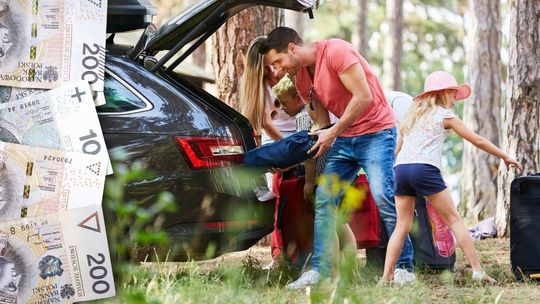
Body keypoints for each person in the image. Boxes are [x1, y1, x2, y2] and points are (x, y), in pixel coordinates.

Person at [260, 27, 414, 289]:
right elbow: (320, 121)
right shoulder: (300, 79)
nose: (276, 70)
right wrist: (295, 153)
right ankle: (320, 270)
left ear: (292, 49)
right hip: (345, 139)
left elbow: (363, 97)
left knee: (384, 197)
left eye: (277, 61)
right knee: (324, 200)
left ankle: (404, 267)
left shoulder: (336, 51)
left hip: (376, 133)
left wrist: (333, 132)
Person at [380, 71, 522, 284]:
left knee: (401, 226)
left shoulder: (411, 116)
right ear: (444, 93)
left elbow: (398, 150)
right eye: (454, 94)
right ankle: (477, 271)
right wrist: (504, 156)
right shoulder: (445, 115)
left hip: (401, 170)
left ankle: (385, 278)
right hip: (424, 169)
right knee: (455, 220)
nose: (455, 99)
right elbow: (478, 141)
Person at [272, 75, 356, 272]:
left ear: (298, 97)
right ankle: (352, 271)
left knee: (328, 223)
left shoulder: (304, 116)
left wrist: (309, 183)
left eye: (284, 102)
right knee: (341, 225)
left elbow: (308, 152)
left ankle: (332, 271)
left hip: (322, 175)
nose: (282, 108)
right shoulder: (325, 110)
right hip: (341, 172)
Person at [239, 36, 296, 269]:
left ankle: (296, 252)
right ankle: (280, 255)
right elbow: (265, 124)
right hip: (283, 144)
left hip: (298, 139)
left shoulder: (286, 74)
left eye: (273, 64)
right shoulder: (256, 85)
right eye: (265, 67)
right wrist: (287, 151)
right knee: (281, 198)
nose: (272, 70)